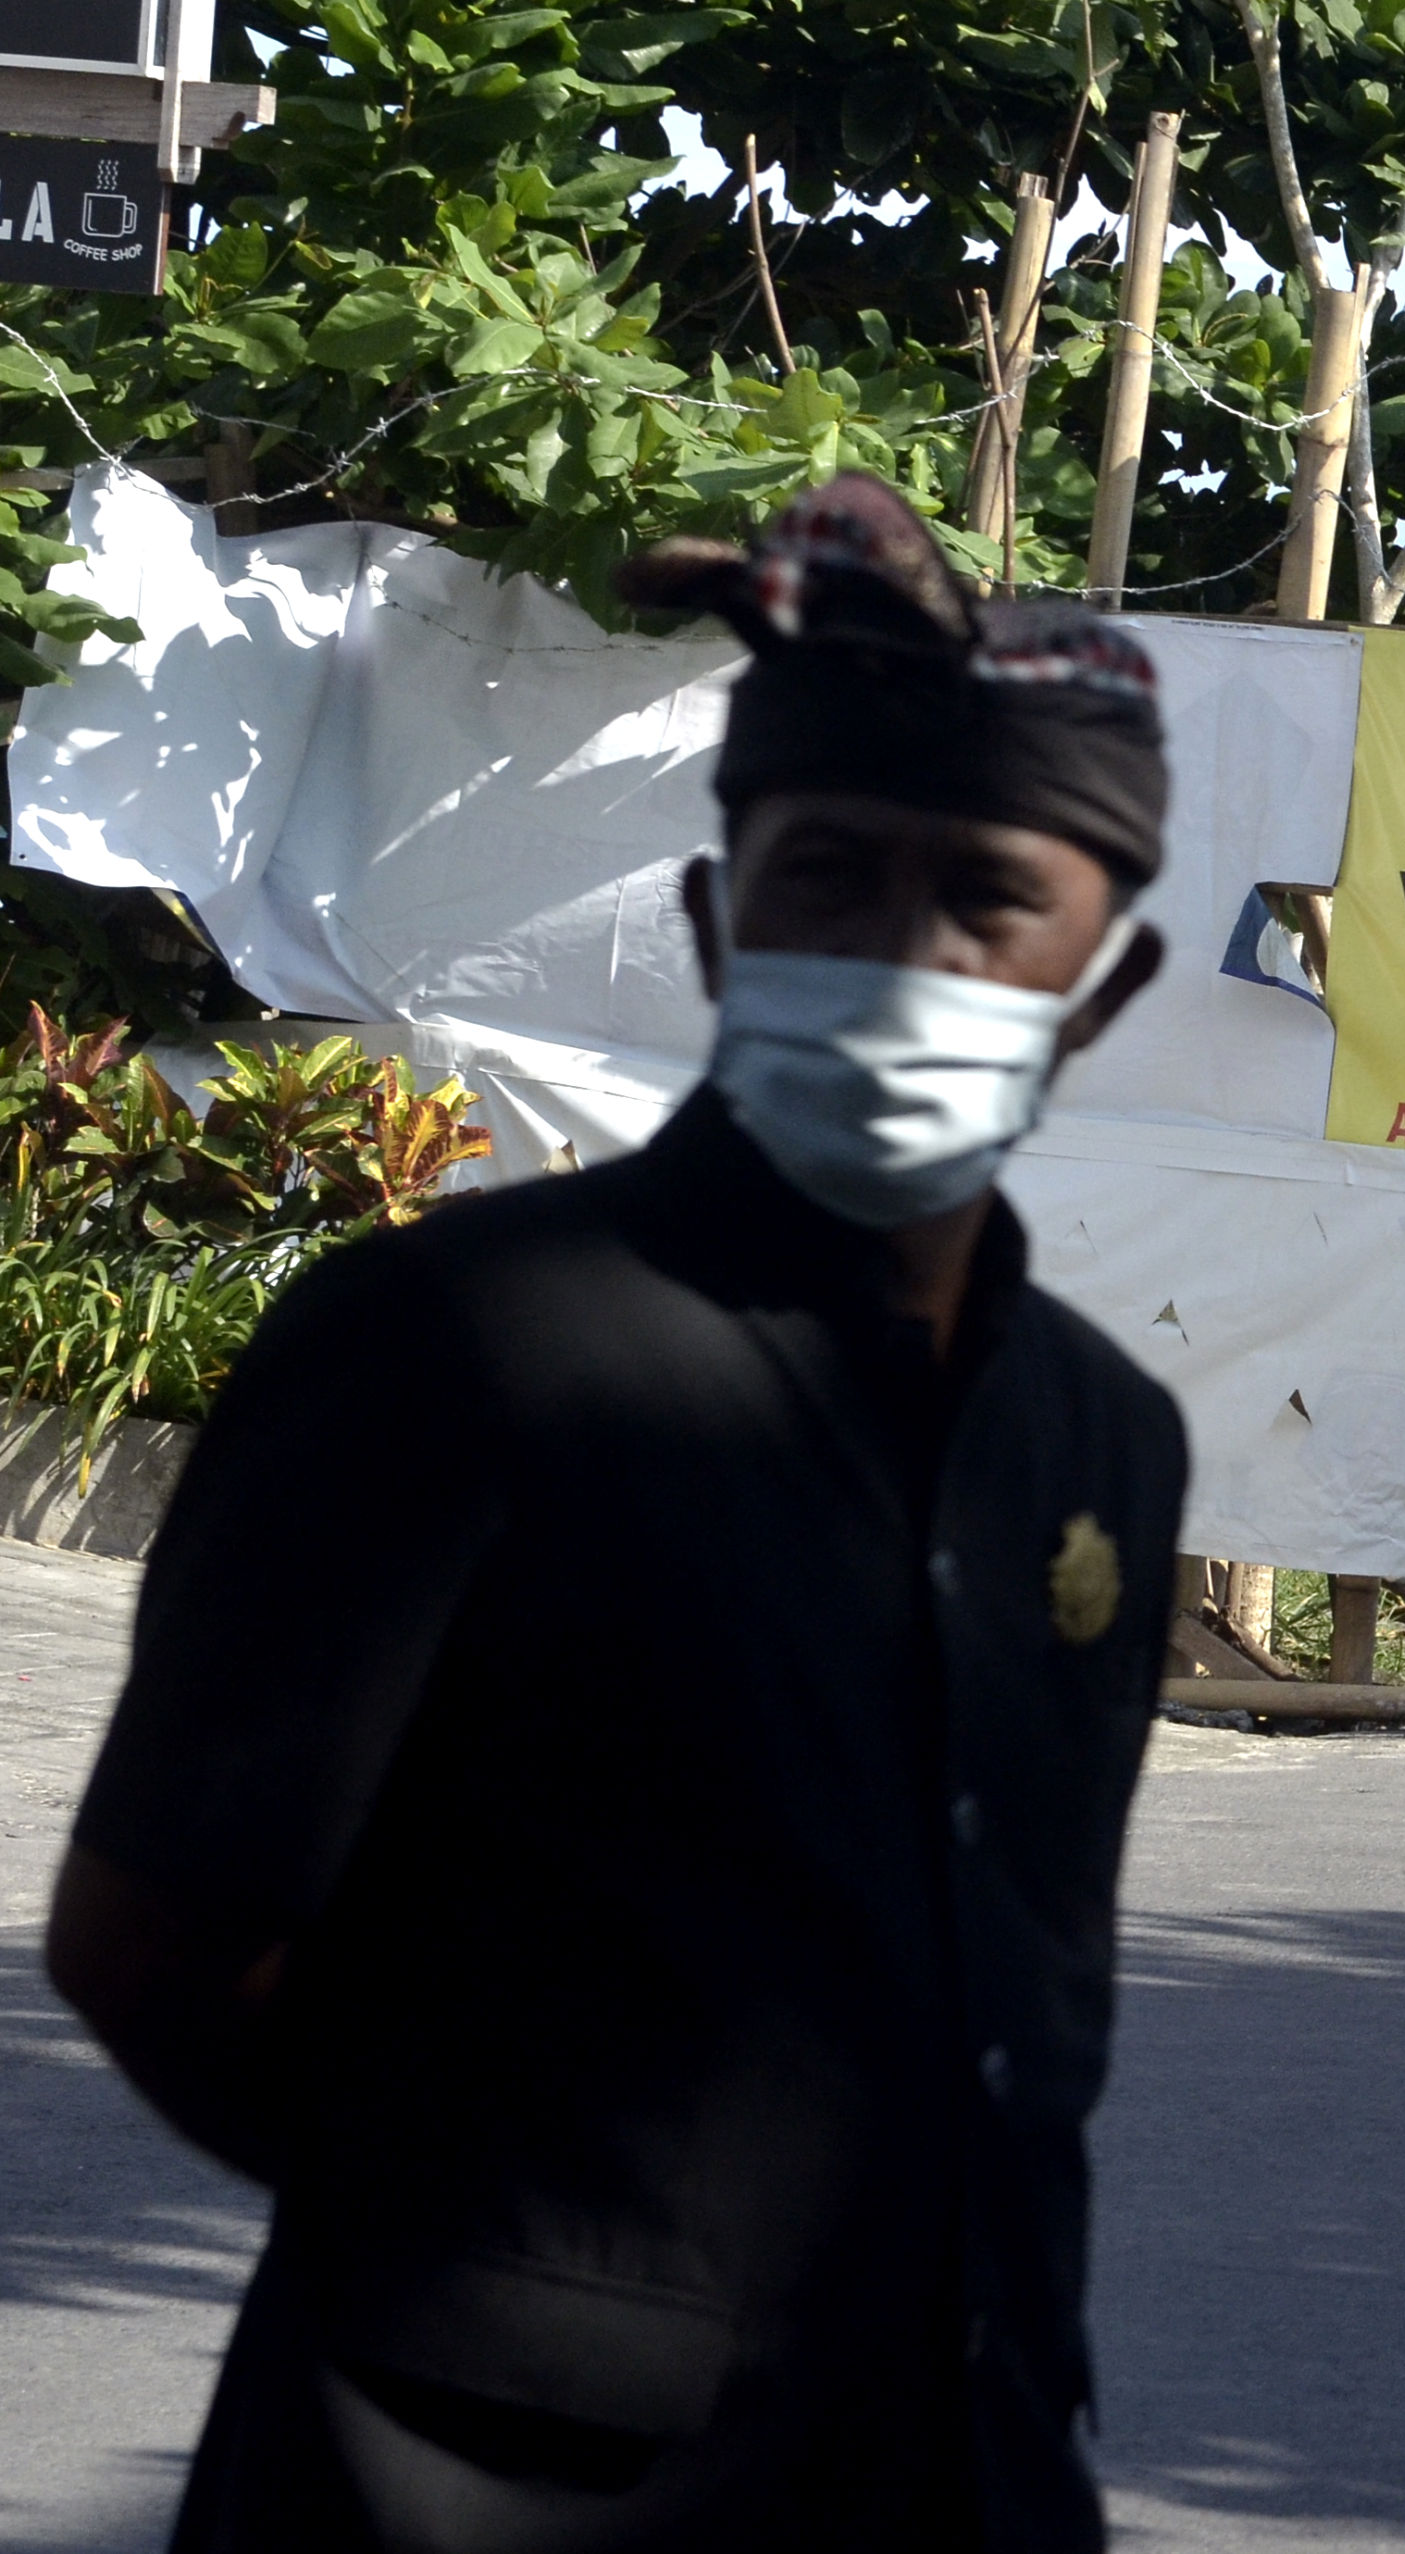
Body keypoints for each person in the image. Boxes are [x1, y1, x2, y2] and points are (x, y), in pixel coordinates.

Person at [46, 473, 1189, 2551]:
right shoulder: (460, 1339)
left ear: (1101, 985)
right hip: (460, 2484)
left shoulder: (1099, 1436)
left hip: (957, 2461)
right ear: (714, 920)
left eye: (989, 898)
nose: (902, 951)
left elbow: (1030, 1991)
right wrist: (518, 2265)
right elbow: (155, 1938)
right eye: (827, 873)